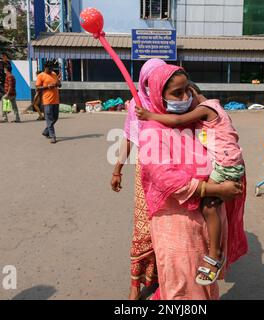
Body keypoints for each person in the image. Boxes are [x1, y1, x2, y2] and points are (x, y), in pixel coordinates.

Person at [138, 64, 247, 299]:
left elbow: (223, 151)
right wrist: (218, 189)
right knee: (182, 288)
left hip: (204, 226)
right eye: (177, 93)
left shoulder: (196, 123)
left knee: (204, 288)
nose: (185, 97)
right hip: (175, 226)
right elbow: (168, 179)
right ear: (159, 95)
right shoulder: (152, 131)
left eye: (187, 89)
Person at [110, 58, 166, 300]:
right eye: (150, 81)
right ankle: (135, 284)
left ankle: (164, 277)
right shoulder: (136, 104)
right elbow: (129, 138)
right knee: (143, 226)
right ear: (143, 81)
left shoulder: (172, 99)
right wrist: (117, 169)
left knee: (167, 226)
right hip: (146, 170)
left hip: (174, 170)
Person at [36, 62, 61, 144]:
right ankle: (53, 136)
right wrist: (47, 87)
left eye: (52, 68)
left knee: (55, 118)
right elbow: (37, 88)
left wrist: (58, 83)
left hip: (56, 100)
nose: (51, 70)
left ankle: (46, 131)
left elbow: (59, 84)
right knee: (49, 119)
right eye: (49, 68)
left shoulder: (53, 74)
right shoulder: (41, 76)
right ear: (45, 68)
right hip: (47, 101)